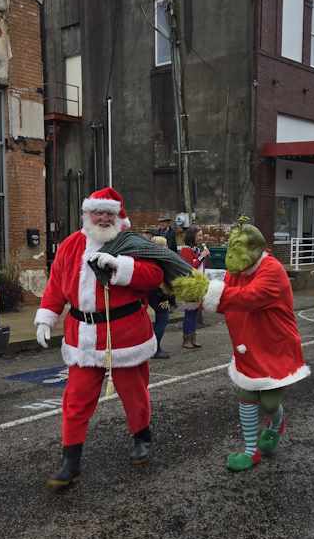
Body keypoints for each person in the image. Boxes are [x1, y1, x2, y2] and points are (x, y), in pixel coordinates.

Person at [34, 187, 167, 489]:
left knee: (134, 394)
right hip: (83, 336)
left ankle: (141, 436)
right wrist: (46, 316)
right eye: (99, 212)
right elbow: (56, 284)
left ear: (119, 215)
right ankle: (71, 461)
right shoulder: (70, 245)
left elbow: (154, 276)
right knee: (76, 400)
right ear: (88, 214)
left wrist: (121, 267)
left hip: (126, 333)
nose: (104, 217)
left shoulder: (130, 243)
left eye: (110, 212)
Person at [171, 217, 309, 471]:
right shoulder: (237, 269)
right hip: (246, 342)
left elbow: (249, 297)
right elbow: (227, 296)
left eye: (239, 248)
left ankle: (277, 422)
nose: (233, 255)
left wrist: (205, 291)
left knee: (268, 402)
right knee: (246, 395)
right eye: (231, 247)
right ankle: (250, 450)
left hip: (274, 344)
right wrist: (191, 294)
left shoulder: (273, 270)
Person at [179, 226, 210, 349]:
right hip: (190, 285)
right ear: (192, 236)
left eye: (201, 236)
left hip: (198, 283)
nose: (201, 238)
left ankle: (193, 337)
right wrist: (202, 256)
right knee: (189, 312)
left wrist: (204, 255)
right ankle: (186, 339)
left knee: (195, 312)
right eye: (199, 236)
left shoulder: (196, 249)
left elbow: (201, 265)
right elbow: (190, 267)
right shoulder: (186, 250)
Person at [148, 235, 174, 359]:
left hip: (153, 294)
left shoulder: (150, 259)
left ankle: (154, 347)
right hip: (160, 295)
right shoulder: (161, 261)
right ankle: (156, 349)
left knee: (160, 321)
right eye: (165, 245)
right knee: (162, 321)